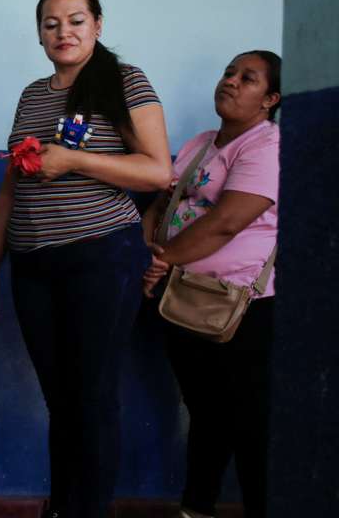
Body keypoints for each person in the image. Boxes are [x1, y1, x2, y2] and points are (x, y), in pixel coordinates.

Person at [0, 0, 172, 518]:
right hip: (35, 264)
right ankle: (63, 507)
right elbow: (12, 186)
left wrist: (75, 160)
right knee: (61, 400)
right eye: (51, 23)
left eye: (76, 20)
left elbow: (159, 169)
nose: (64, 32)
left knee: (92, 397)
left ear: (99, 25)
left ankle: (88, 509)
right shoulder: (34, 94)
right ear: (39, 34)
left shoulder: (124, 81)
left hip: (101, 259)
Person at [140, 51, 281, 518]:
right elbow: (164, 202)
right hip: (183, 298)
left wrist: (162, 260)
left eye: (248, 78)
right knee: (206, 414)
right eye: (228, 73)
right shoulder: (202, 142)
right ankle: (196, 508)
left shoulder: (267, 146)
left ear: (271, 99)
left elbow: (227, 222)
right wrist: (150, 242)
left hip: (240, 303)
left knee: (248, 422)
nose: (231, 82)